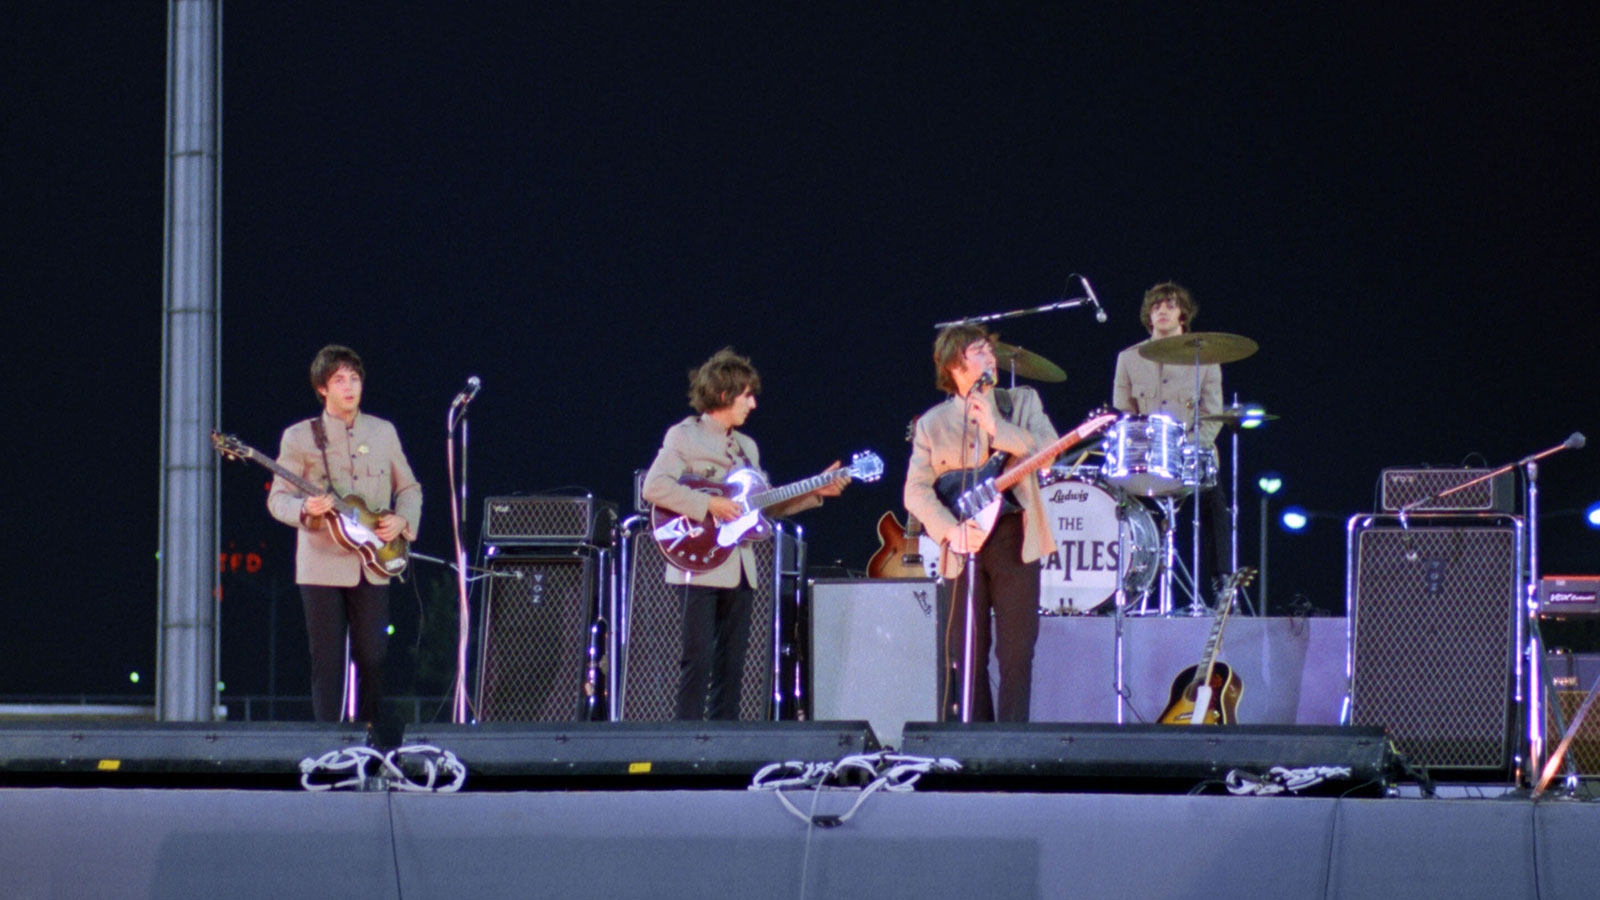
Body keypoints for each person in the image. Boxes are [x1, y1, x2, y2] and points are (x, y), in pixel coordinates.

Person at [641, 347, 847, 720]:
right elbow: (654, 488)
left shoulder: (747, 448)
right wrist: (709, 506)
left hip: (740, 565)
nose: (753, 403)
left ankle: (724, 740)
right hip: (698, 559)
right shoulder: (684, 435)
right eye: (747, 395)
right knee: (697, 657)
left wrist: (815, 491)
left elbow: (761, 508)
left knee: (733, 663)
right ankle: (684, 741)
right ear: (724, 394)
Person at [904, 324, 1060, 722]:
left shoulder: (1020, 401)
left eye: (990, 350)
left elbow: (1049, 452)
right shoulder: (932, 423)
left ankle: (1012, 747)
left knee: (1016, 654)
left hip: (1014, 536)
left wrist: (997, 428)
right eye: (979, 351)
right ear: (955, 364)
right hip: (962, 545)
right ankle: (977, 747)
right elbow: (915, 491)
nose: (990, 356)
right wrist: (949, 531)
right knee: (966, 655)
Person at [267, 344, 421, 728]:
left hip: (375, 560)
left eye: (355, 379)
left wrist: (403, 521)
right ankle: (328, 743)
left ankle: (370, 734)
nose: (350, 387)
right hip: (321, 564)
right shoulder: (300, 437)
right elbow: (278, 500)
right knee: (328, 660)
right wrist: (305, 509)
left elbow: (409, 488)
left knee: (373, 653)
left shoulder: (383, 432)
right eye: (340, 380)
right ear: (322, 388)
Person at [1111, 281, 1231, 597]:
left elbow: (1212, 413)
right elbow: (1124, 411)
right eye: (1156, 305)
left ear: (1182, 316)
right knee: (1124, 504)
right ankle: (1133, 584)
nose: (1162, 310)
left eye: (1171, 305)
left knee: (1215, 503)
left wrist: (1188, 447)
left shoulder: (1205, 359)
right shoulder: (1128, 358)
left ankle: (1222, 582)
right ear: (1148, 316)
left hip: (1192, 454)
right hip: (1147, 456)